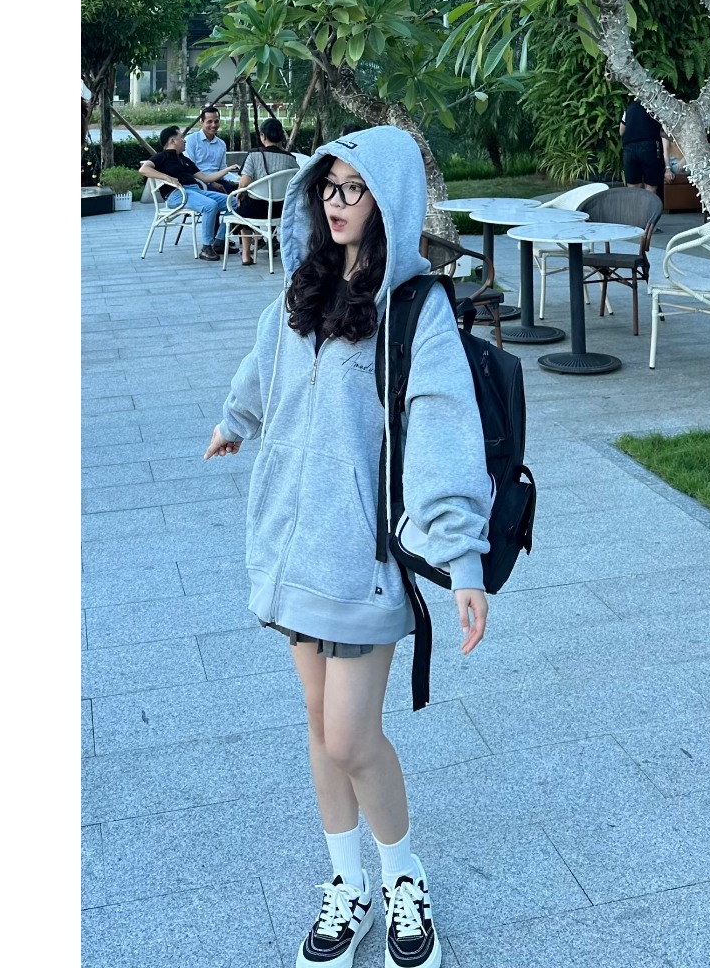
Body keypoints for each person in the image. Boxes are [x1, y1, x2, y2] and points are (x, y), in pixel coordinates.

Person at [203, 125, 492, 968]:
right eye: (327, 187)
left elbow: (442, 430)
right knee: (317, 721)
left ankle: (404, 877)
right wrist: (235, 419)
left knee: (350, 737)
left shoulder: (417, 310)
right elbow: (265, 366)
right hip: (293, 548)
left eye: (354, 188)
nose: (336, 203)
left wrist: (462, 561)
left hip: (363, 561)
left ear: (387, 198)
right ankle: (348, 881)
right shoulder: (305, 286)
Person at [139, 126, 242, 261]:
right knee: (210, 206)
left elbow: (206, 179)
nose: (185, 140)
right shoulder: (161, 157)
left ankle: (219, 241)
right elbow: (143, 169)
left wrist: (228, 169)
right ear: (172, 141)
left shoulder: (185, 160)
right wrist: (166, 177)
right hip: (177, 194)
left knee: (234, 202)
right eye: (181, 137)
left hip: (196, 191)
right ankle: (206, 248)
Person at [231, 117, 300, 267]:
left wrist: (239, 194)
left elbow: (244, 183)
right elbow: (297, 183)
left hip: (255, 210)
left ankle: (246, 255)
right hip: (280, 210)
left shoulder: (253, 155)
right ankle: (272, 242)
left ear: (262, 136)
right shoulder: (291, 159)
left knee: (243, 204)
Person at [619, 99, 671, 194]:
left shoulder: (629, 108)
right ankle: (649, 204)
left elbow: (621, 131)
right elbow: (665, 131)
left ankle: (635, 204)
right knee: (651, 186)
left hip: (629, 148)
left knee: (633, 186)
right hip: (650, 146)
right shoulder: (655, 107)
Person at [185, 105, 240, 193]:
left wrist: (236, 180)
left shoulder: (221, 144)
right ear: (201, 122)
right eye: (209, 122)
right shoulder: (190, 140)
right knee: (225, 197)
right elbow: (190, 169)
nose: (213, 125)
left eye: (216, 121)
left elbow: (222, 169)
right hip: (199, 182)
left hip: (219, 180)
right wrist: (211, 182)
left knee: (241, 192)